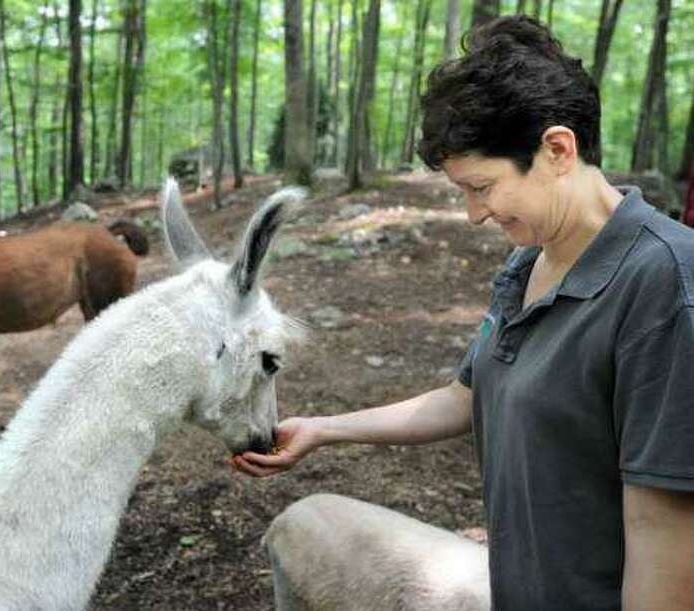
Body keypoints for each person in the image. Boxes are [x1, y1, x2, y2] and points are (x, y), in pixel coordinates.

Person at [232, 15, 694, 611]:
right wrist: (323, 431)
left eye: (482, 186)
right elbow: (466, 395)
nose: (474, 213)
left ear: (557, 149)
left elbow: (666, 542)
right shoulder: (527, 266)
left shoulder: (667, 288)